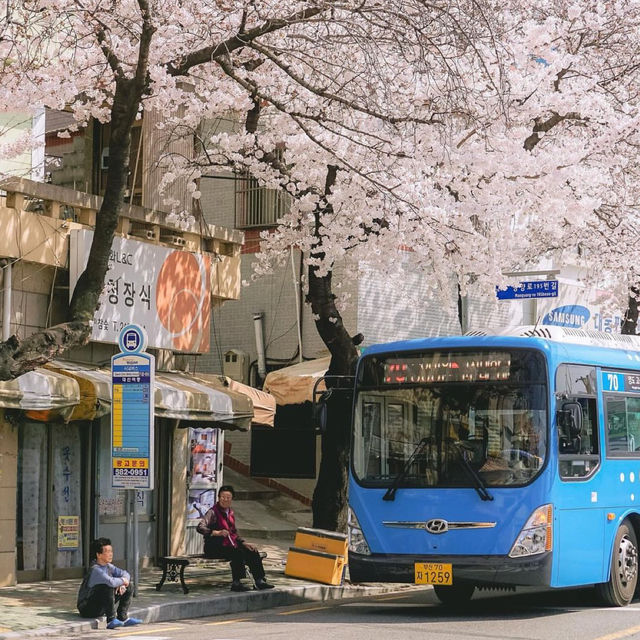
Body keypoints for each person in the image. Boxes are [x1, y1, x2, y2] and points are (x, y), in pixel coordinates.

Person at [196, 485, 274, 592]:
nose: (225, 500)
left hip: (228, 545)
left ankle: (260, 580)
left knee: (252, 551)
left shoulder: (230, 513)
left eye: (228, 498)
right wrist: (216, 532)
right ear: (219, 498)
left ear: (232, 499)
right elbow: (200, 527)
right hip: (214, 547)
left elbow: (233, 533)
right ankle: (236, 583)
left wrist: (243, 543)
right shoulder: (213, 512)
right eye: (223, 497)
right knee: (237, 553)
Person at [77, 538, 142, 629]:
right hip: (87, 609)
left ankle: (123, 617)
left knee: (129, 586)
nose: (111, 554)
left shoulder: (108, 566)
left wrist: (123, 584)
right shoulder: (95, 569)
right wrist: (122, 581)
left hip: (100, 607)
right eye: (107, 551)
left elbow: (125, 573)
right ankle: (111, 620)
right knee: (108, 586)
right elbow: (110, 582)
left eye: (111, 551)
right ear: (98, 555)